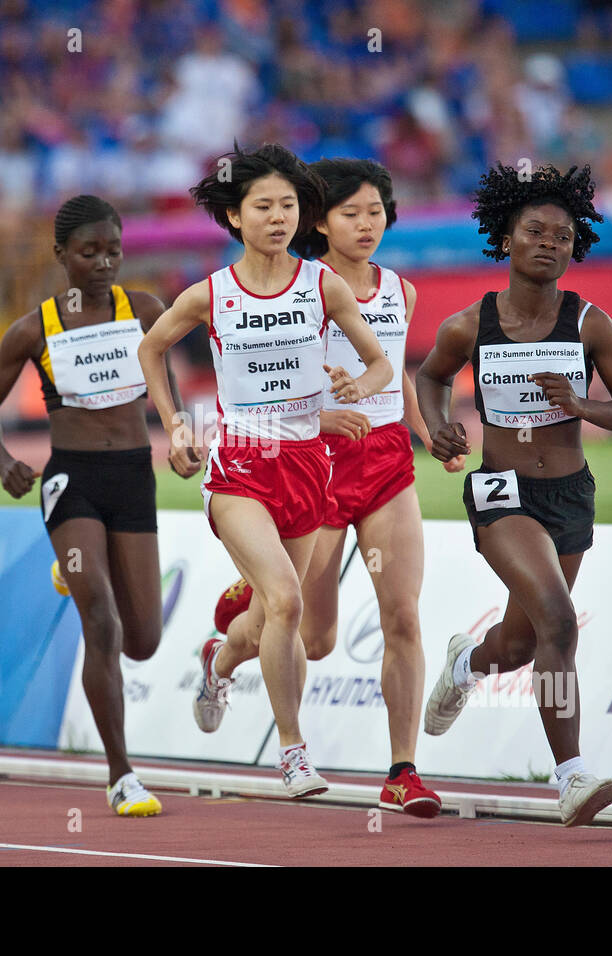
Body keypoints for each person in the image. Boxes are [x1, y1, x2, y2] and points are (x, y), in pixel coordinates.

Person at [137, 144, 393, 797]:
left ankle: (217, 660)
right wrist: (173, 427)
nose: (279, 218)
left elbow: (380, 364)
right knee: (285, 599)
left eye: (288, 205)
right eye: (264, 206)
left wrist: (355, 390)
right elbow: (151, 348)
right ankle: (294, 752)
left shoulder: (322, 284)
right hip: (240, 469)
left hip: (309, 466)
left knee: (266, 619)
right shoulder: (210, 294)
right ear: (233, 216)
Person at [219, 158, 467, 817]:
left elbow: (399, 374)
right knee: (312, 634)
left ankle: (402, 772)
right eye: (350, 213)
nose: (366, 225)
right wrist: (316, 414)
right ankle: (226, 651)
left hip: (386, 465)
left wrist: (430, 434)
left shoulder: (400, 291)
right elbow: (265, 376)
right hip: (315, 461)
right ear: (319, 220)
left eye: (376, 212)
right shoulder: (306, 288)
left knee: (404, 616)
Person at [416, 162, 612, 827]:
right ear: (506, 240)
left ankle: (468, 661)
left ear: (576, 249)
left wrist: (583, 406)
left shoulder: (590, 325)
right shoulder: (469, 324)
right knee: (559, 617)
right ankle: (573, 777)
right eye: (535, 231)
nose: (549, 243)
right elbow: (430, 378)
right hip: (499, 489)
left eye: (563, 236)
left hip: (569, 493)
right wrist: (438, 428)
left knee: (518, 646)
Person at [0, 195, 193, 817]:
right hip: (71, 480)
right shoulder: (34, 327)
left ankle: (75, 569)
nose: (102, 263)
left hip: (132, 478)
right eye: (88, 252)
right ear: (61, 256)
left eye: (113, 251)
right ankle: (122, 775)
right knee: (102, 621)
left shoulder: (145, 310)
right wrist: (2, 460)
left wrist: (178, 432)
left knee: (143, 641)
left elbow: (166, 386)